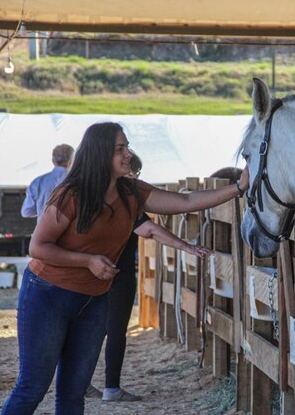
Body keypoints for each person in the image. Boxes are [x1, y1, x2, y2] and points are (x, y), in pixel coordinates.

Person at [1, 122, 248, 415]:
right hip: (48, 295)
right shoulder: (70, 194)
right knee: (32, 387)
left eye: (127, 147)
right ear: (100, 153)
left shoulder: (130, 191)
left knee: (73, 392)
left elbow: (187, 201)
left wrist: (239, 187)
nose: (128, 154)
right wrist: (88, 261)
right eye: (120, 149)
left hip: (93, 300)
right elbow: (38, 247)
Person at [87, 153, 212, 402]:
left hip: (89, 272)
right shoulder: (124, 201)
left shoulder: (93, 195)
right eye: (134, 174)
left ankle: (80, 381)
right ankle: (111, 387)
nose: (136, 180)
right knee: (115, 330)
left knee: (91, 329)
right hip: (117, 273)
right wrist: (187, 246)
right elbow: (151, 230)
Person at [20, 143, 74, 218]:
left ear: (53, 160)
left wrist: (42, 210)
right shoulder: (80, 182)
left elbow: (26, 212)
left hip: (44, 228)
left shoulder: (37, 182)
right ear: (71, 161)